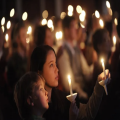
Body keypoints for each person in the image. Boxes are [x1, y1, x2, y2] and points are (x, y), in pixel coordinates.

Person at [30, 45, 110, 120]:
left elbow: (88, 112)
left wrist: (99, 83)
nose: (57, 70)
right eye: (51, 65)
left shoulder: (62, 99)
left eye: (56, 64)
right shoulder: (36, 108)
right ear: (39, 72)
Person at [57, 16, 93, 101]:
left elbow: (87, 72)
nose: (76, 29)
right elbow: (69, 84)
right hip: (75, 97)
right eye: (73, 26)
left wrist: (97, 65)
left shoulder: (76, 48)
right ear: (66, 30)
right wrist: (84, 95)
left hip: (84, 89)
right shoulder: (63, 51)